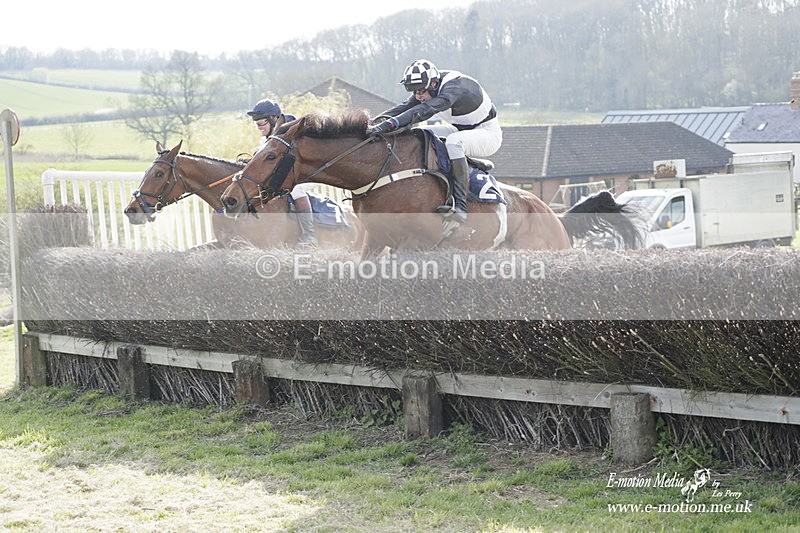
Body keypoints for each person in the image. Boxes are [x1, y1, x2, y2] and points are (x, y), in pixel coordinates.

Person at [368, 59, 502, 226]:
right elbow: (404, 107)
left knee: (454, 142)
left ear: (433, 83)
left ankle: (460, 206)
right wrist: (373, 123)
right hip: (461, 130)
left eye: (421, 91)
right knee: (420, 134)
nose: (418, 96)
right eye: (414, 92)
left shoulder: (454, 88)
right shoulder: (429, 85)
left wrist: (387, 126)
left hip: (487, 134)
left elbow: (423, 111)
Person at [247, 98, 318, 247]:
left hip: (302, 173)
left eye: (261, 123)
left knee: (297, 191)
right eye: (256, 124)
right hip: (283, 176)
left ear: (275, 119)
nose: (259, 127)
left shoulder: (288, 132)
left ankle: (309, 234)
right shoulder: (267, 139)